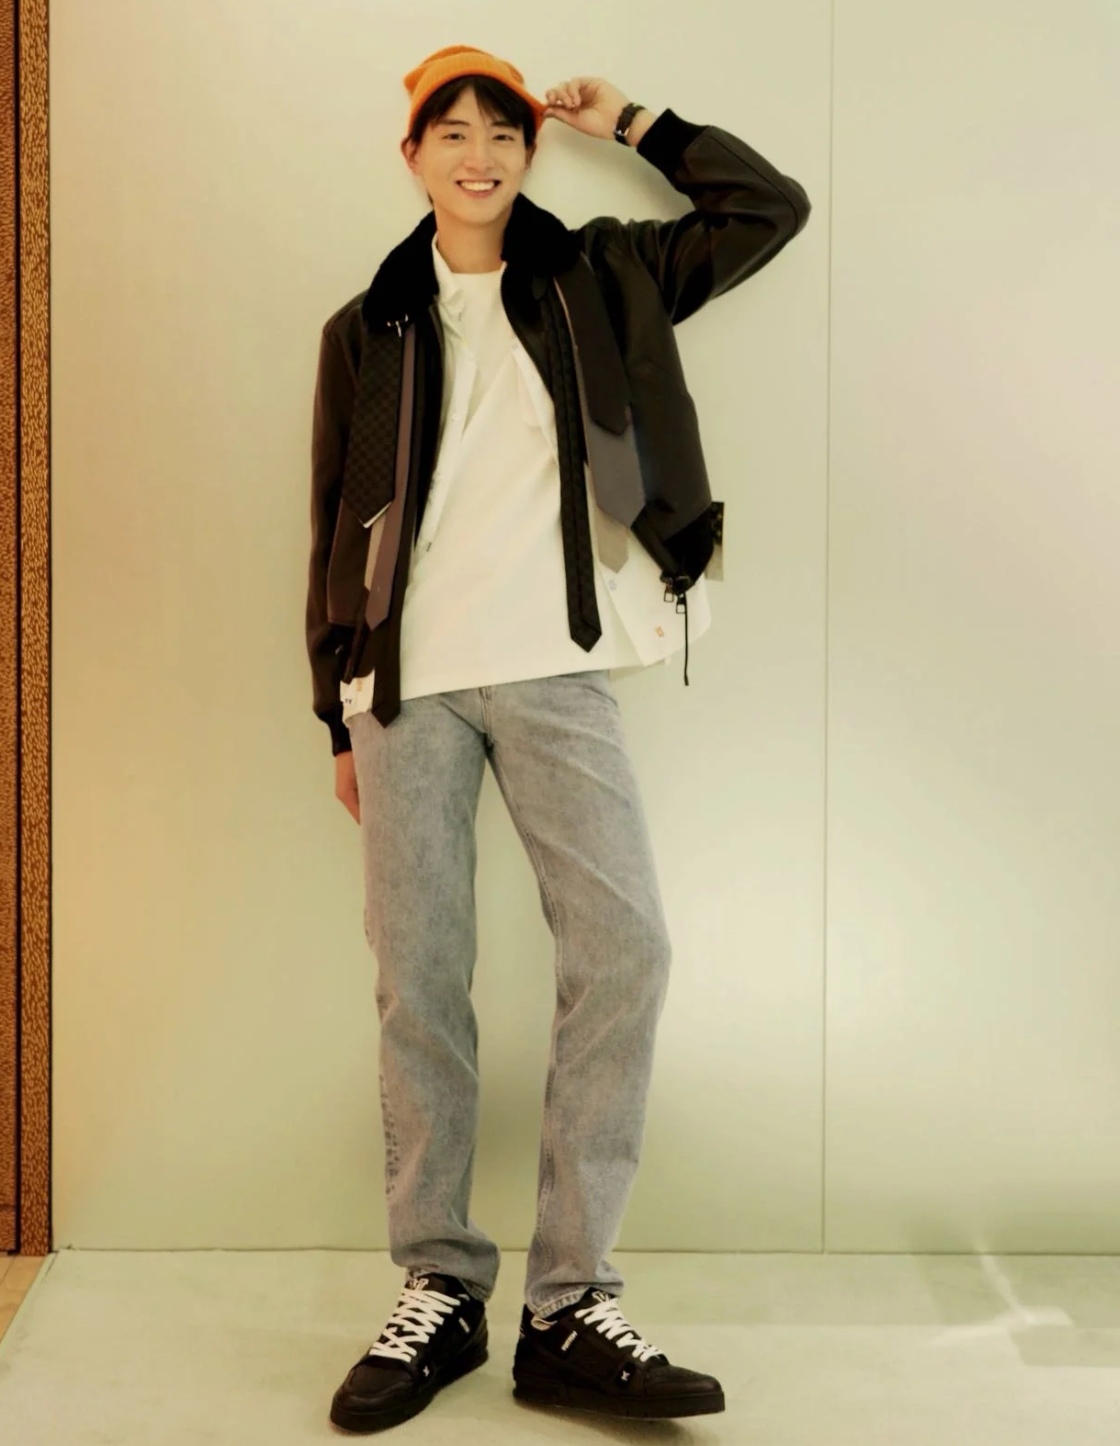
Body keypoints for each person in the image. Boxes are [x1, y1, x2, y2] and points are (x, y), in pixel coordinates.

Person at [306, 44, 811, 1434]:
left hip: (555, 669)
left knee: (625, 947)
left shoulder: (603, 274)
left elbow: (768, 209)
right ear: (411, 157)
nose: (478, 154)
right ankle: (441, 1284)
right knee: (420, 982)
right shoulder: (368, 327)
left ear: (530, 153)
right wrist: (332, 712)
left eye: (501, 131)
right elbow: (332, 528)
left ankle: (569, 1304)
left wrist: (633, 121)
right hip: (402, 689)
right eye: (450, 132)